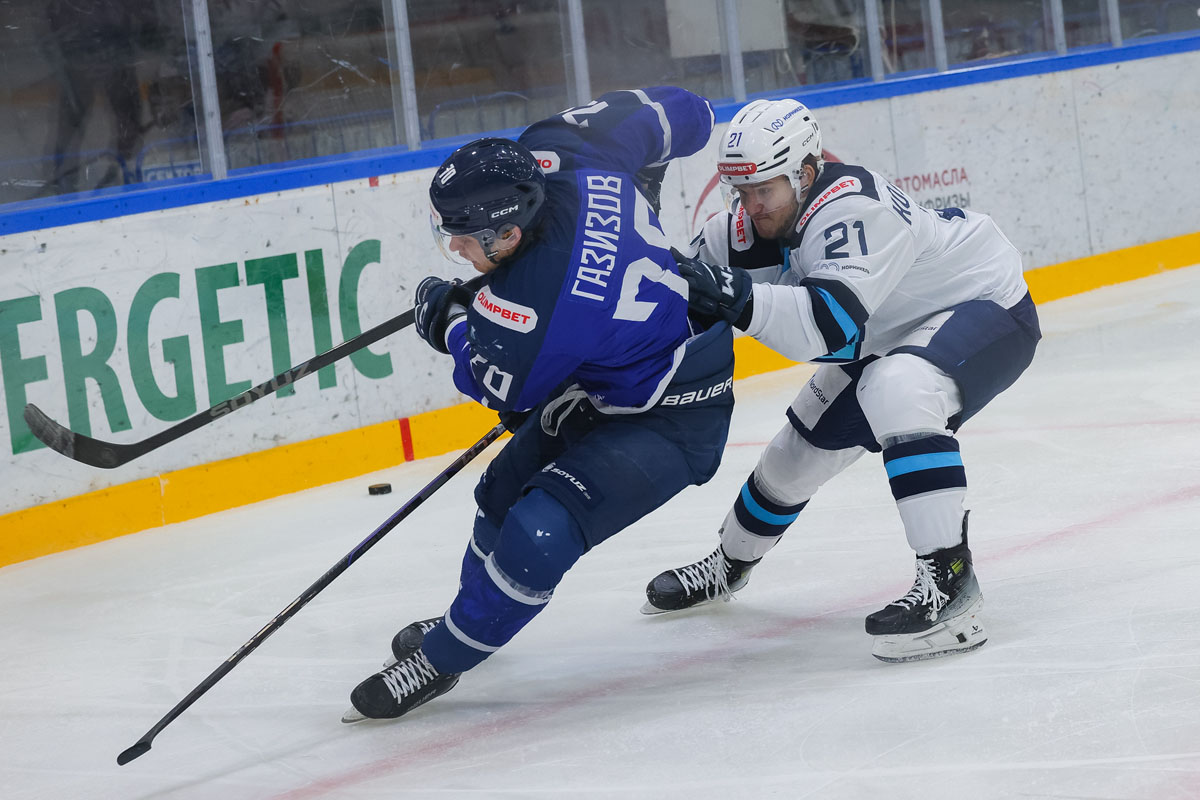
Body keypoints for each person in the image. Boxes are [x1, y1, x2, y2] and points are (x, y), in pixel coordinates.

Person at [345, 87, 737, 720]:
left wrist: (448, 322)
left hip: (674, 413)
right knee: (500, 493)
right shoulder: (562, 150)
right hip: (604, 378)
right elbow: (688, 112)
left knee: (539, 531)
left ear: (508, 232)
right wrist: (644, 182)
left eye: (465, 240)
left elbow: (501, 390)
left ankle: (442, 659)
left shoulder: (534, 308)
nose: (456, 251)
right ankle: (471, 616)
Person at [642, 98, 1041, 663]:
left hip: (983, 303)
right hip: (880, 331)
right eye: (742, 190)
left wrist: (735, 296)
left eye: (765, 190)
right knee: (791, 458)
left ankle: (951, 586)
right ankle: (729, 565)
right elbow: (671, 302)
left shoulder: (855, 208)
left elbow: (823, 327)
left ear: (805, 173)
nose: (752, 206)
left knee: (897, 388)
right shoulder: (738, 229)